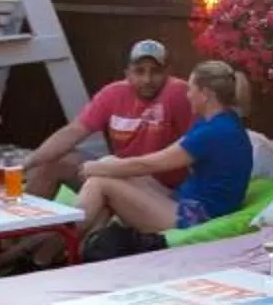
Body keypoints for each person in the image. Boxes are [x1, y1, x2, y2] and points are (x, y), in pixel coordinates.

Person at [67, 58, 256, 258]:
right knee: (108, 163)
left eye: (191, 89)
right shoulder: (218, 120)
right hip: (185, 202)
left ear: (206, 95)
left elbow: (149, 164)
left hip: (194, 217)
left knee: (99, 183)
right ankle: (79, 252)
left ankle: (59, 241)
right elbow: (161, 156)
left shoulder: (214, 132)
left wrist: (95, 169)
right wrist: (106, 166)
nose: (188, 95)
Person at [19, 39, 194, 200]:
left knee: (102, 178)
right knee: (52, 162)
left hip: (161, 187)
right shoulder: (112, 94)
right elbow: (74, 131)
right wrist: (28, 163)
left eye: (155, 72)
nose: (147, 80)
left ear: (168, 73)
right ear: (127, 73)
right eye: (139, 71)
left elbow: (199, 146)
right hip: (122, 174)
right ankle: (21, 229)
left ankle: (75, 231)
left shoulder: (179, 93)